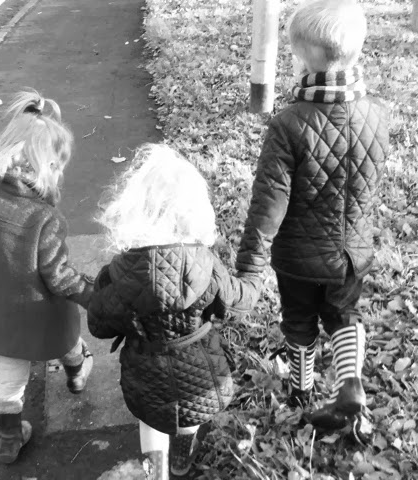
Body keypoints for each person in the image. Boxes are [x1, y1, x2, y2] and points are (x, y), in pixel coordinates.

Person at [236, 0, 389, 430]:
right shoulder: (378, 113)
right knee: (345, 316)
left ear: (301, 59)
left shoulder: (289, 124)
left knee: (299, 322)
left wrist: (249, 267)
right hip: (351, 252)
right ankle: (350, 383)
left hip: (298, 259)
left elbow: (268, 203)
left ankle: (300, 390)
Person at [87, 144, 262, 479]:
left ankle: (156, 473)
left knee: (151, 422)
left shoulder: (120, 273)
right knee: (190, 415)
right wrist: (253, 276)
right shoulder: (206, 265)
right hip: (200, 374)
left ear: (134, 209)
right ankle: (181, 458)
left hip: (145, 375)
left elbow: (98, 325)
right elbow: (238, 303)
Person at [0, 90, 94, 464]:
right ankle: (76, 375)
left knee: (10, 380)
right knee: (67, 339)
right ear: (45, 168)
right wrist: (96, 293)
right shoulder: (45, 219)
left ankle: (10, 437)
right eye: (57, 165)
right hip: (34, 323)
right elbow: (60, 278)